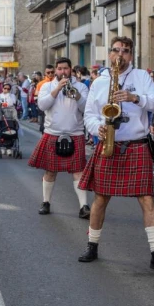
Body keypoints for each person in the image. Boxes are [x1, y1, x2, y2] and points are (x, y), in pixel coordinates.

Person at [77, 36, 154, 272]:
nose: (120, 54)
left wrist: (135, 98)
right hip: (110, 144)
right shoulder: (100, 82)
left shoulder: (141, 77)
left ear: (131, 55)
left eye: (126, 51)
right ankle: (92, 246)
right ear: (109, 53)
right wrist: (97, 128)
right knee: (101, 198)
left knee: (147, 198)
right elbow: (89, 115)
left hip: (137, 144)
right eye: (116, 50)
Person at [28, 57, 90, 218]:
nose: (63, 71)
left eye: (66, 68)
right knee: (50, 171)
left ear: (71, 70)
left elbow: (86, 108)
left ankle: (84, 206)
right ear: (56, 70)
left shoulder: (81, 87)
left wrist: (76, 95)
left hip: (75, 133)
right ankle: (46, 202)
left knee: (79, 171)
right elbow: (42, 106)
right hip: (53, 133)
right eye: (60, 69)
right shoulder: (47, 86)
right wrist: (57, 89)